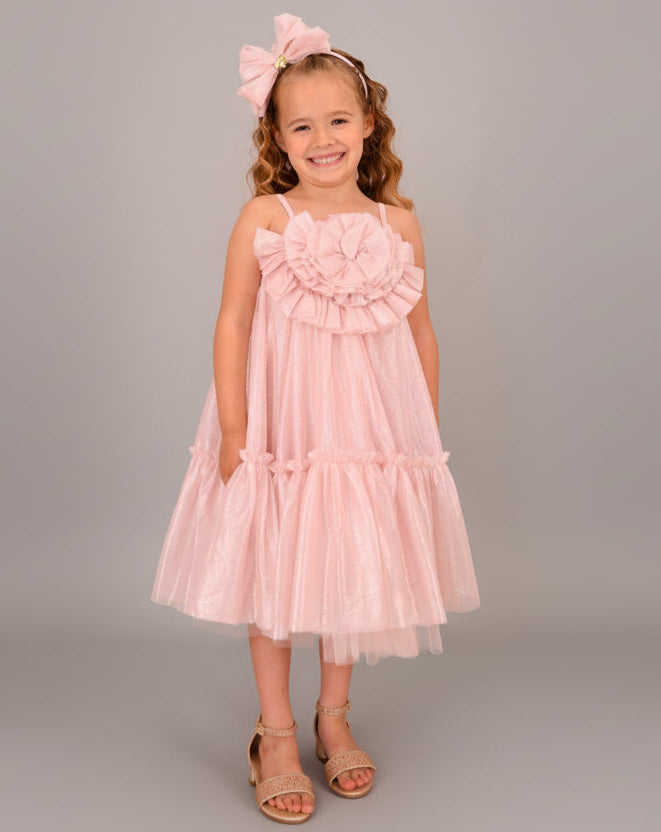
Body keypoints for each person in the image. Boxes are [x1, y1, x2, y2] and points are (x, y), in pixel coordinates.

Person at [151, 12, 481, 824]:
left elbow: (421, 332)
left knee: (346, 567)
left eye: (338, 119)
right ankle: (274, 731)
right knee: (278, 569)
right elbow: (231, 322)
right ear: (278, 135)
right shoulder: (267, 219)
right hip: (282, 427)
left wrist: (419, 435)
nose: (323, 138)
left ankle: (335, 718)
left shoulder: (396, 225)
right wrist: (235, 431)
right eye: (303, 125)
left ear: (369, 124)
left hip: (367, 433)